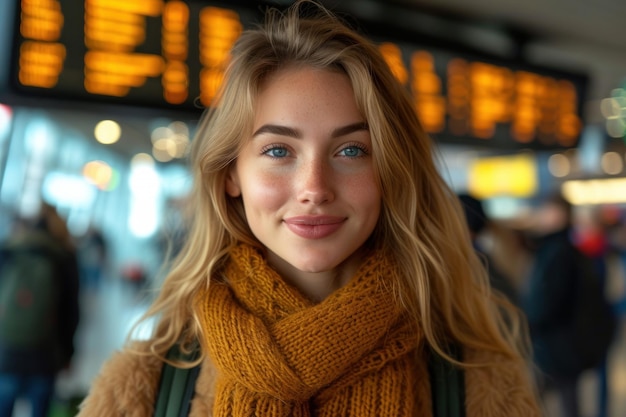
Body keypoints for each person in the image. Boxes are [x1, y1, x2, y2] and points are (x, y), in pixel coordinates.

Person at [78, 1, 541, 416]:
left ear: (391, 173)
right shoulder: (148, 384)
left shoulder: (476, 382)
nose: (314, 188)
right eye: (279, 151)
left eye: (352, 151)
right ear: (231, 175)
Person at [520, 192, 616, 417]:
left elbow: (548, 300)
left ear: (558, 215)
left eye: (545, 211)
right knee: (564, 399)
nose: (540, 216)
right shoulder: (566, 250)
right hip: (565, 340)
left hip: (558, 342)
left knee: (561, 400)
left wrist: (528, 321)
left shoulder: (557, 252)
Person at [0, 204, 80, 417]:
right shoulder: (63, 257)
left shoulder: (10, 249)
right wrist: (68, 354)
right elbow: (71, 314)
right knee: (40, 408)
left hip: (7, 350)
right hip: (46, 353)